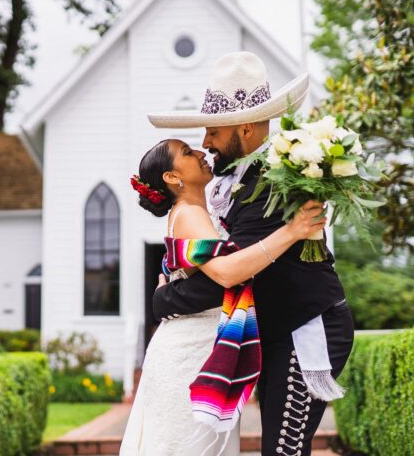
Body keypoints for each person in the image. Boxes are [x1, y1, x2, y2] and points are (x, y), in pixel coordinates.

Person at [148, 51, 354, 456]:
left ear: (244, 128)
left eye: (213, 131)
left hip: (305, 327)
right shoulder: (236, 183)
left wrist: (163, 299)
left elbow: (231, 274)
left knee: (283, 449)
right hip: (275, 329)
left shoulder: (270, 185)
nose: (205, 142)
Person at [120, 137, 327, 456]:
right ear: (172, 177)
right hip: (189, 353)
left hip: (200, 344)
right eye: (187, 153)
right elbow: (229, 273)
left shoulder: (198, 214)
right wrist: (292, 231)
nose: (200, 152)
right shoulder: (188, 213)